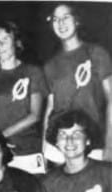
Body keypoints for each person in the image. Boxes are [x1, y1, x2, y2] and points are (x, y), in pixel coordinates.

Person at [0, 20, 48, 174]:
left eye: (5, 39)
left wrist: (1, 137)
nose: (0, 44)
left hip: (27, 150)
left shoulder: (32, 71)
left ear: (16, 42)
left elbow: (35, 115)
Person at [43, 3, 112, 163]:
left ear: (77, 21)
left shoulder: (96, 53)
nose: (61, 23)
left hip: (92, 143)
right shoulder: (50, 65)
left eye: (66, 17)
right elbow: (50, 109)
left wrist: (110, 145)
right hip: (58, 147)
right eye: (55, 19)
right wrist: (44, 149)